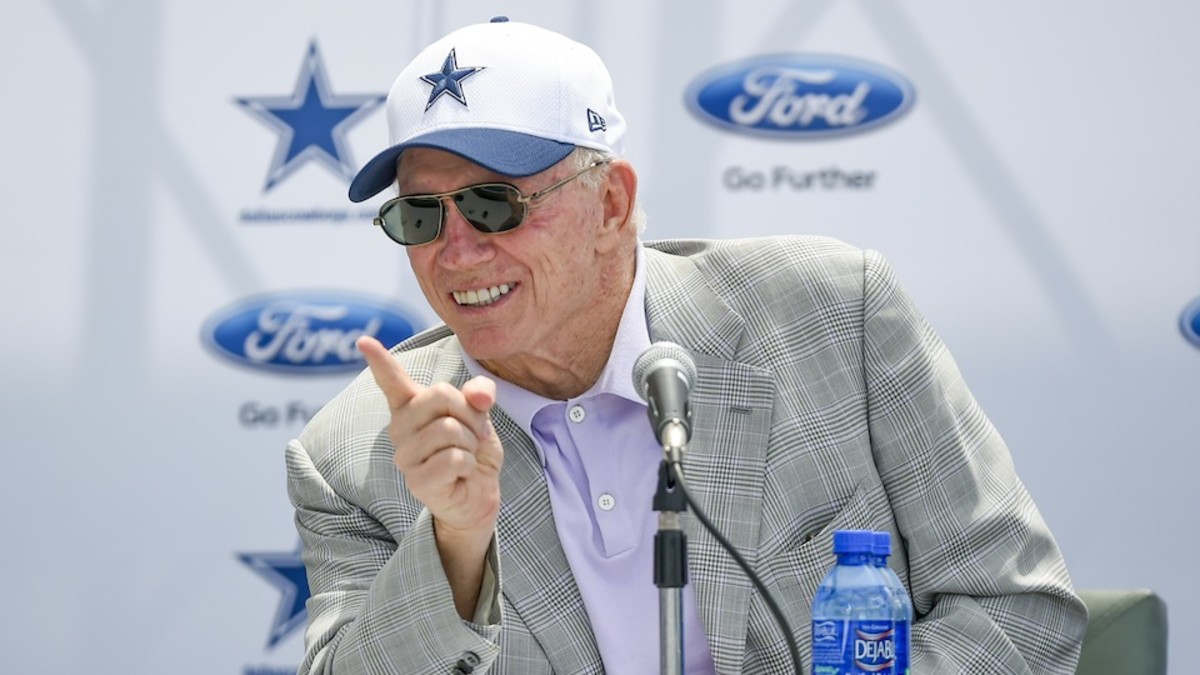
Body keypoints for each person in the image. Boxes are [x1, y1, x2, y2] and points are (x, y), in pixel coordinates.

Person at [285, 16, 1087, 675]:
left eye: (495, 204)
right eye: (421, 216)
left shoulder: (835, 314)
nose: (457, 252)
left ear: (611, 203)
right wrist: (455, 542)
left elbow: (1015, 609)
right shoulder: (352, 454)